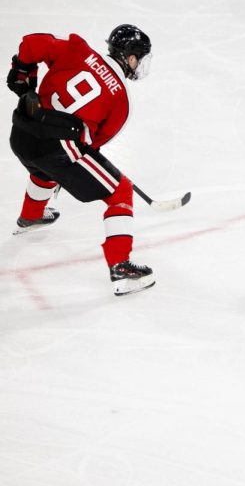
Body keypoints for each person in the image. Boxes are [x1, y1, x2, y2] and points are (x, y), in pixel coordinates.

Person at [7, 25, 156, 295]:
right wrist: (73, 163)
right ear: (131, 58)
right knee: (119, 190)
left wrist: (22, 72)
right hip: (57, 147)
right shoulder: (122, 100)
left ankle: (31, 215)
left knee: (45, 167)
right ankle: (121, 267)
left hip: (21, 134)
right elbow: (94, 142)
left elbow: (32, 43)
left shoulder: (78, 50)